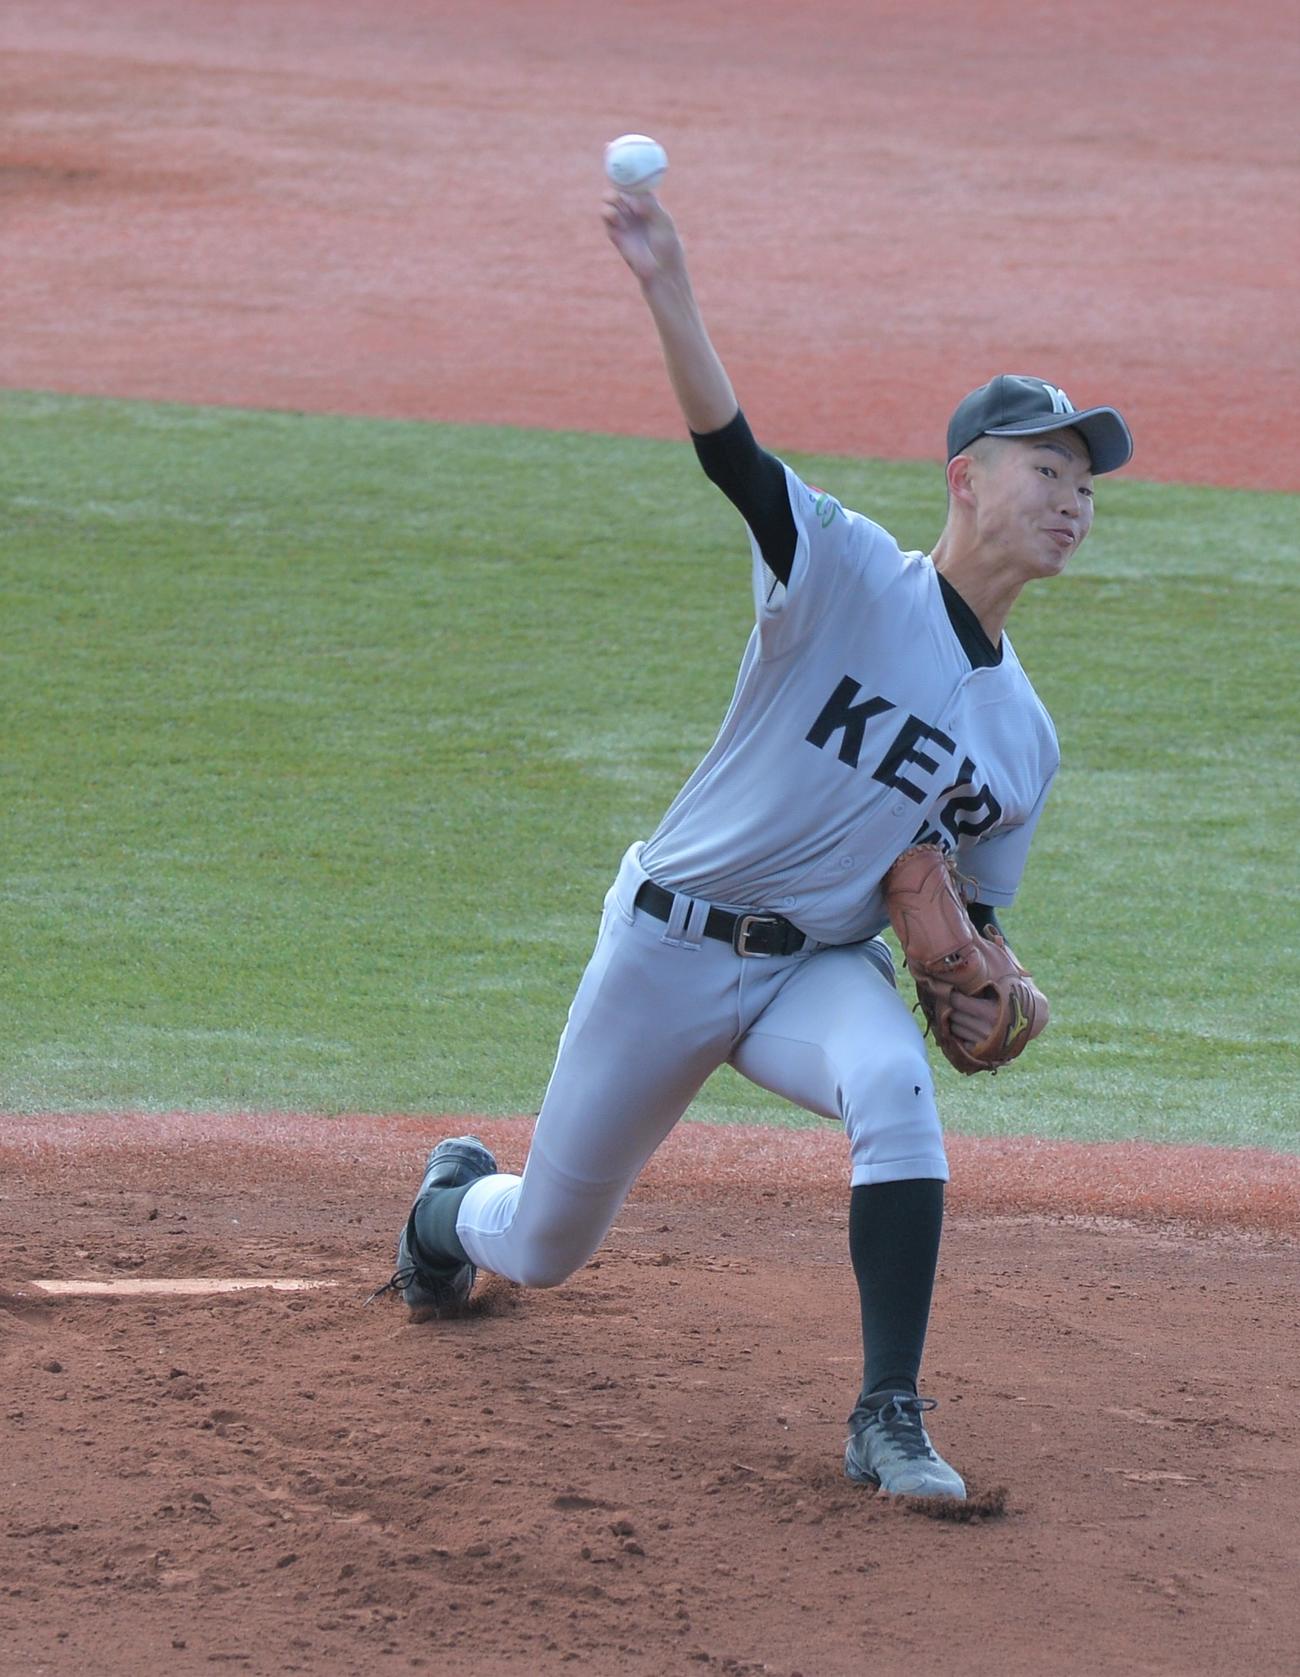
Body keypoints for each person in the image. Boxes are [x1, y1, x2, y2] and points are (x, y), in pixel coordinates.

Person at [377, 187, 1133, 1500]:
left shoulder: (1027, 741)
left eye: (1084, 482)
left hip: (816, 970)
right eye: (1045, 468)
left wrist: (995, 976)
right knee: (546, 1241)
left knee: (895, 1091)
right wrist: (666, 282)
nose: (1071, 497)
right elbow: (730, 452)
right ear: (966, 479)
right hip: (670, 940)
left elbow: (976, 911)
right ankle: (447, 1204)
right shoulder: (843, 572)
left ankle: (886, 1413)